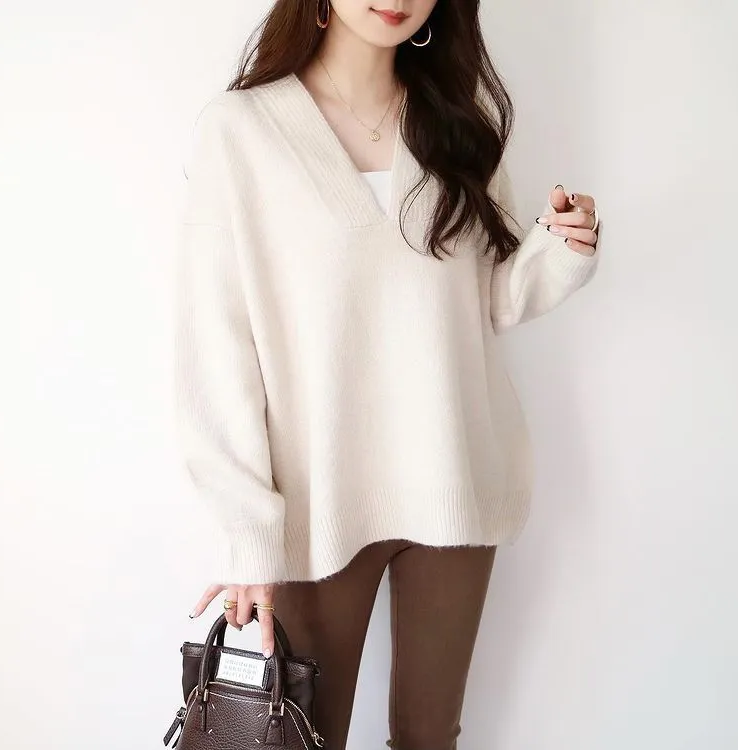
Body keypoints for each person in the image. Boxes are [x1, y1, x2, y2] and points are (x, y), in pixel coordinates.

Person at [175, 1, 602, 747]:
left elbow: (483, 302)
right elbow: (216, 347)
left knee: (430, 737)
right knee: (304, 735)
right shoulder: (241, 131)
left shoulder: (456, 122)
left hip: (453, 483)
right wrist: (249, 533)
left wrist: (557, 251)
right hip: (318, 504)